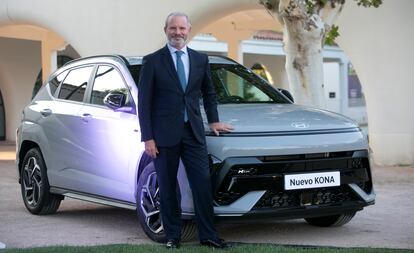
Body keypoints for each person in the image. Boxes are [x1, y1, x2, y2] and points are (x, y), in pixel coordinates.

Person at [138, 12, 234, 249]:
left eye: (182, 28)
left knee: (202, 183)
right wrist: (147, 137)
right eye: (173, 28)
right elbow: (144, 102)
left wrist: (213, 121)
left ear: (188, 31)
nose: (178, 33)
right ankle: (173, 236)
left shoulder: (200, 59)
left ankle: (208, 235)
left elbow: (209, 93)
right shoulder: (152, 61)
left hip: (193, 133)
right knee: (168, 186)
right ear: (166, 30)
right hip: (162, 136)